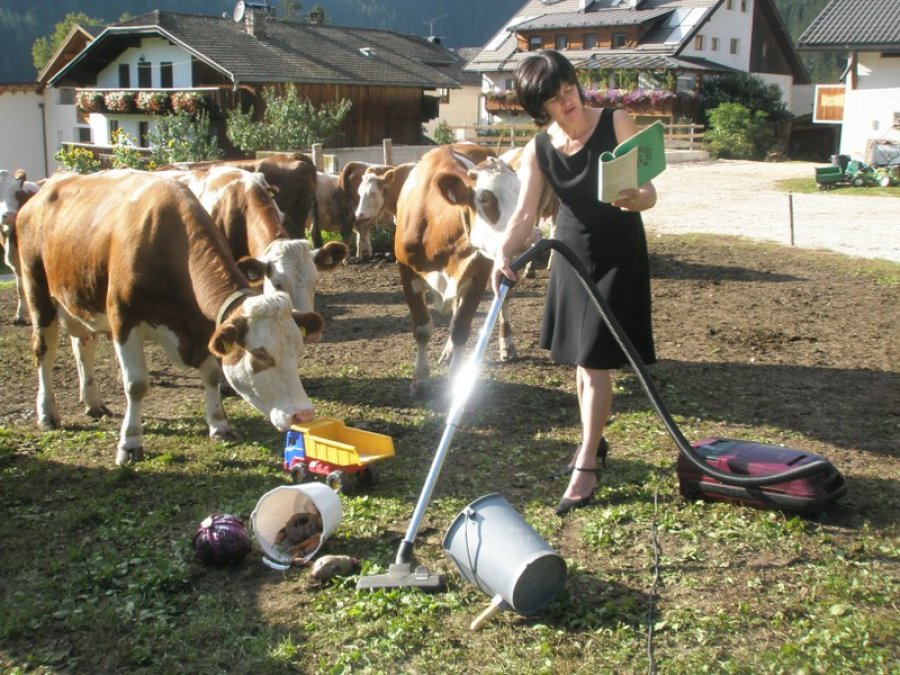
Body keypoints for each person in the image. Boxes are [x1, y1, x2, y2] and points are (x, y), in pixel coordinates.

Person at [491, 50, 658, 516]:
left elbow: (650, 192)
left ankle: (586, 460)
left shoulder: (616, 121)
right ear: (538, 108)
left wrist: (632, 198)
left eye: (570, 90)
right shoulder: (539, 149)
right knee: (582, 361)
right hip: (570, 253)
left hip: (618, 252)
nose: (569, 102)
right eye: (556, 98)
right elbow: (525, 214)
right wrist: (504, 252)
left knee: (593, 363)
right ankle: (593, 441)